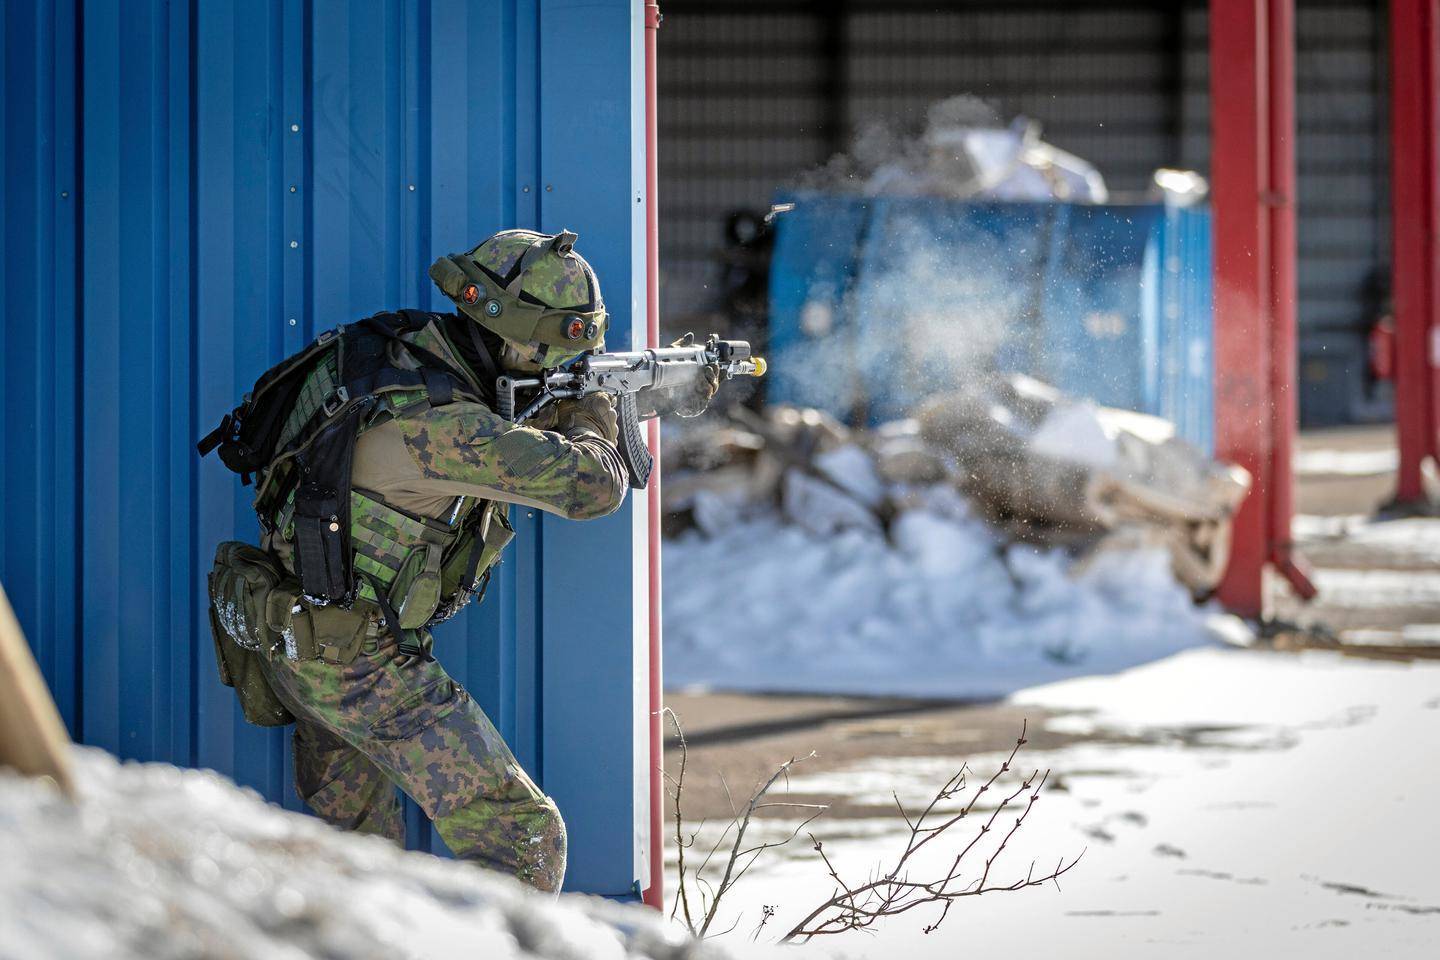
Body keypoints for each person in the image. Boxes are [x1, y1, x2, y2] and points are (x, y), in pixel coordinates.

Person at [202, 229, 715, 892]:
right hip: (358, 664)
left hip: (300, 632)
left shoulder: (393, 351)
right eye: (548, 351)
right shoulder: (443, 426)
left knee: (360, 863)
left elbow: (519, 417)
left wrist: (628, 394)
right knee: (521, 834)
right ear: (508, 334)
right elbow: (593, 487)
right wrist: (595, 409)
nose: (553, 366)